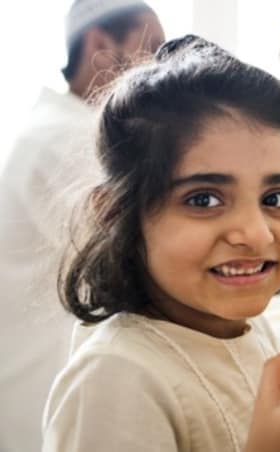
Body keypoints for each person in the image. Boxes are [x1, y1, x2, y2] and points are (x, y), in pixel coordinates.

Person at [42, 35, 280, 451]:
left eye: (276, 199)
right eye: (204, 199)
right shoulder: (113, 383)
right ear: (114, 214)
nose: (256, 234)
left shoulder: (245, 326)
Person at [0, 1, 164, 450]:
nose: (162, 71)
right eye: (152, 49)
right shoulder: (65, 140)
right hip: (39, 389)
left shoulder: (60, 126)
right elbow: (137, 265)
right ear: (98, 45)